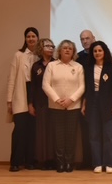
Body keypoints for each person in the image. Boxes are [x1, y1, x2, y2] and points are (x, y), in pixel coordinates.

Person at [42, 40, 85, 173]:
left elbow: (82, 86)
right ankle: (60, 163)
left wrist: (71, 99)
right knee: (58, 136)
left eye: (70, 49)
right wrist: (57, 99)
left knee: (71, 136)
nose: (67, 50)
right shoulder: (52, 66)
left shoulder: (78, 67)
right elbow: (45, 85)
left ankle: (69, 162)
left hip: (73, 107)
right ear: (59, 50)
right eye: (65, 48)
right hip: (56, 107)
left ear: (73, 52)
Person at [83, 41, 112, 174]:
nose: (97, 53)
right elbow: (87, 89)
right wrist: (84, 105)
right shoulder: (88, 68)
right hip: (92, 102)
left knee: (109, 134)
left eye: (100, 50)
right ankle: (97, 163)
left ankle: (109, 163)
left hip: (108, 102)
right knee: (94, 134)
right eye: (95, 51)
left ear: (105, 52)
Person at [6, 27, 39, 172]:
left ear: (37, 38)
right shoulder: (18, 55)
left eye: (33, 36)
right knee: (19, 130)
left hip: (35, 94)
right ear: (25, 39)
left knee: (32, 130)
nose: (31, 39)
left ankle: (29, 161)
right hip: (20, 93)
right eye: (28, 36)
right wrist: (9, 100)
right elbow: (11, 78)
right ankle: (15, 162)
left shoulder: (40, 55)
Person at [29, 38, 56, 170]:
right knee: (41, 132)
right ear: (41, 48)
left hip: (54, 103)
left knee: (53, 132)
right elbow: (33, 87)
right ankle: (42, 160)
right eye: (47, 46)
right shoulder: (36, 66)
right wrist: (30, 104)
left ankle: (52, 160)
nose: (50, 48)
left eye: (52, 46)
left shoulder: (57, 64)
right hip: (40, 103)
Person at [76, 29, 95, 169]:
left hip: (97, 98)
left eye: (87, 38)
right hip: (82, 98)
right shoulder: (78, 57)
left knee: (96, 131)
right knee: (85, 131)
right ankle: (87, 161)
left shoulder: (100, 53)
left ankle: (97, 160)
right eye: (82, 39)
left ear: (93, 38)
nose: (85, 41)